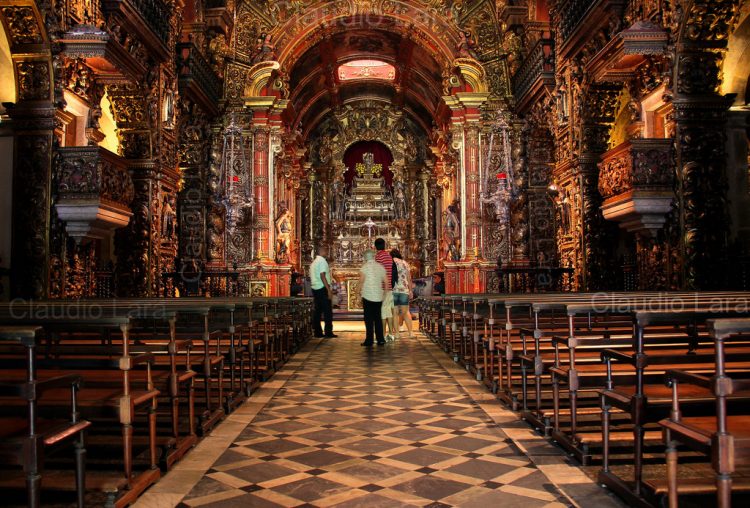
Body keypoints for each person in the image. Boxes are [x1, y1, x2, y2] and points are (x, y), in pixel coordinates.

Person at [359, 250, 386, 347]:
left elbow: (361, 282)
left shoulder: (364, 267)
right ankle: (380, 339)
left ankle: (369, 340)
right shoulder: (380, 267)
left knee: (368, 319)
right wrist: (385, 294)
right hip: (378, 296)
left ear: (366, 257)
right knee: (378, 318)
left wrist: (358, 293)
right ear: (374, 256)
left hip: (367, 296)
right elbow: (386, 282)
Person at [309, 245, 336, 338]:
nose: (327, 252)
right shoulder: (322, 261)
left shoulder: (314, 262)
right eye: (325, 250)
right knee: (327, 311)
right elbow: (322, 275)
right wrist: (328, 290)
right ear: (322, 251)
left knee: (318, 311)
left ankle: (317, 332)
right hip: (322, 288)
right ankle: (328, 332)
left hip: (315, 288)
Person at [374, 237, 396, 340]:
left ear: (375, 247)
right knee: (388, 311)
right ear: (384, 245)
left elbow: (378, 273)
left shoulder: (378, 257)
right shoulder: (388, 256)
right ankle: (391, 333)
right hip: (390, 287)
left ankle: (382, 334)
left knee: (383, 312)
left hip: (382, 288)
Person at [390, 249, 414, 338]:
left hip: (393, 290)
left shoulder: (390, 262)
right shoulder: (405, 263)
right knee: (406, 312)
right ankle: (411, 332)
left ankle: (396, 334)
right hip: (404, 290)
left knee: (395, 313)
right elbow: (409, 278)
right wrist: (410, 291)